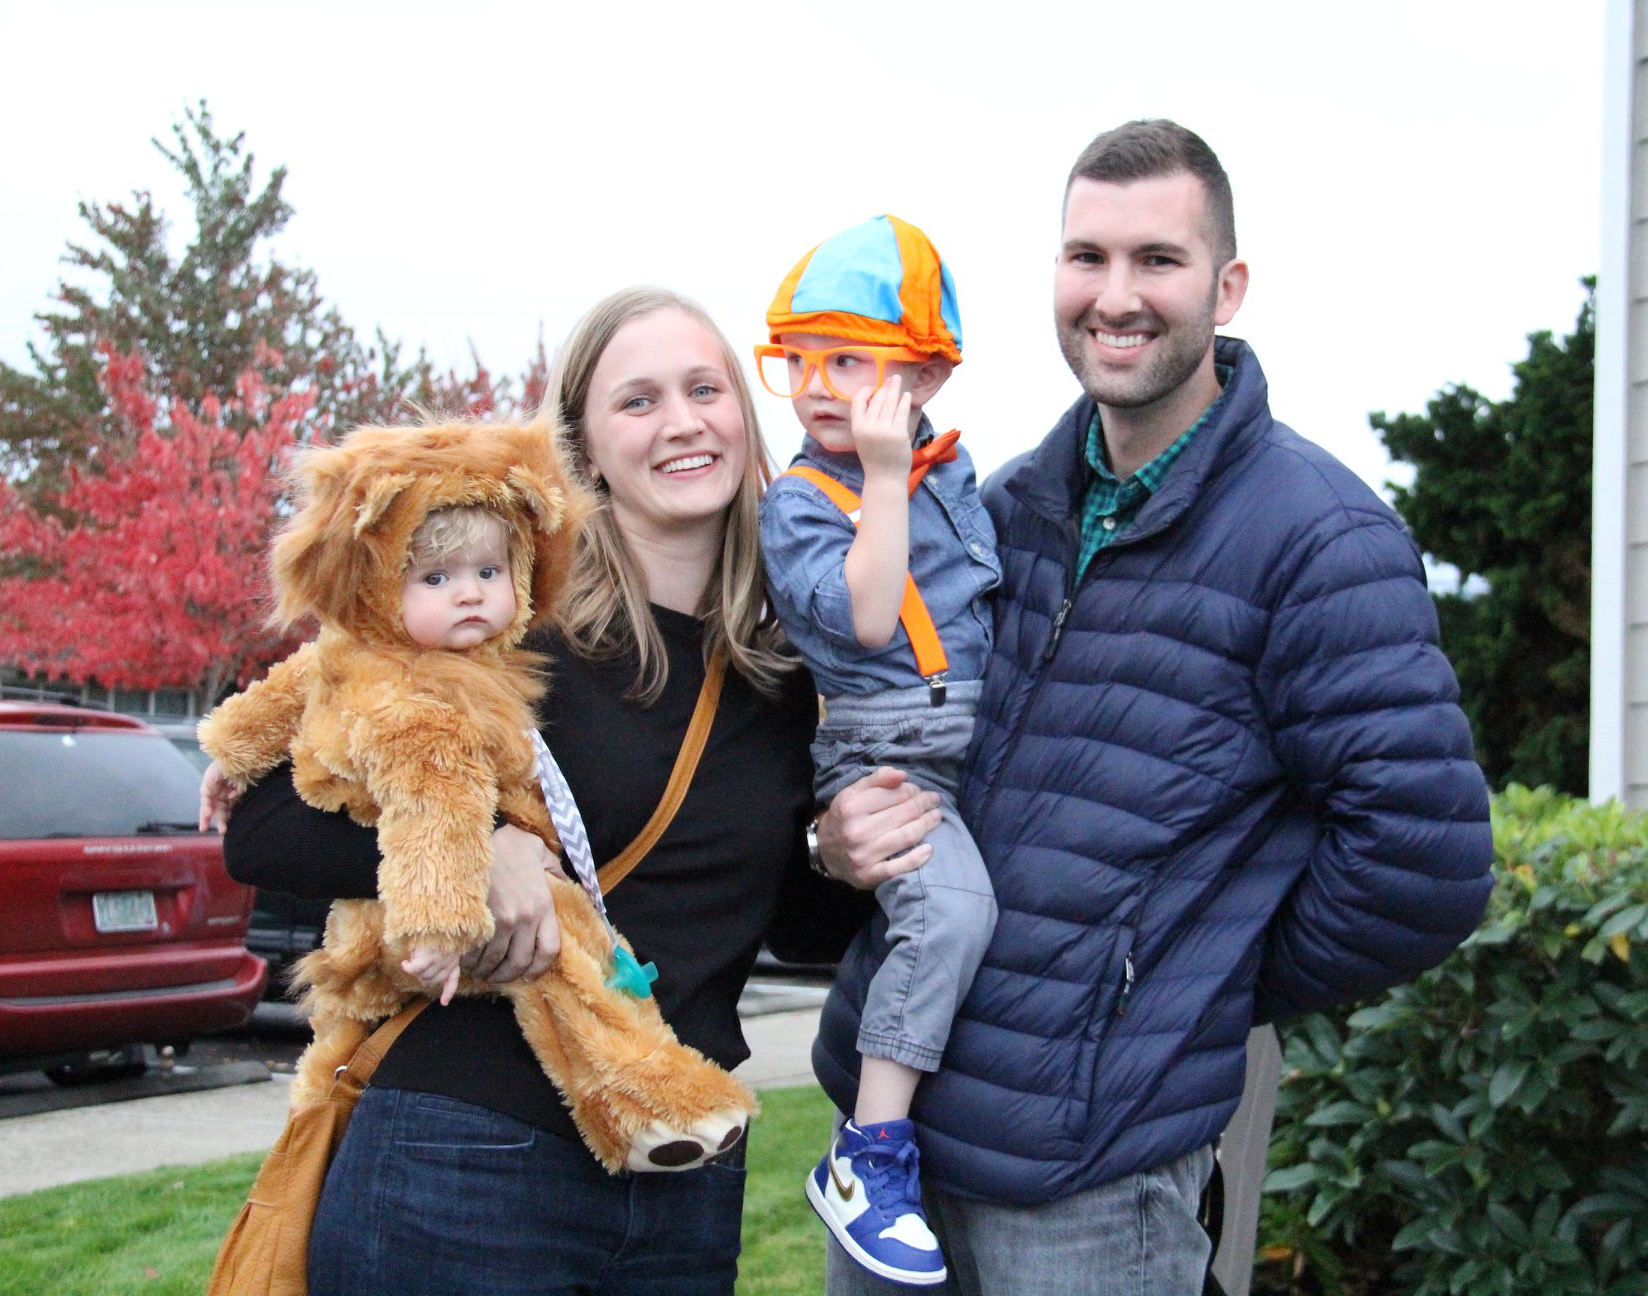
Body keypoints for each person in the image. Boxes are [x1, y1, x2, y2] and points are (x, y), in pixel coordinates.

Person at [814, 119, 1496, 1295]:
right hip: (892, 1147)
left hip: (1089, 1181)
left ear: (1227, 288)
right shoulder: (1002, 508)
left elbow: (1423, 865)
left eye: (1157, 260)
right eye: (1088, 257)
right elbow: (903, 735)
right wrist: (835, 841)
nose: (1115, 295)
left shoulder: (1321, 539)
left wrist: (1185, 984)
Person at [209, 287, 869, 1296]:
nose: (683, 422)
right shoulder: (498, 625)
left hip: (683, 1173)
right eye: (638, 401)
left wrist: (840, 857)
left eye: (706, 390)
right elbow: (261, 832)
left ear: (745, 414)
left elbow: (782, 928)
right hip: (467, 1154)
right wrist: (484, 849)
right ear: (582, 450)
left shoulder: (787, 667)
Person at [199, 416, 753, 1175]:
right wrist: (449, 915)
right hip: (433, 959)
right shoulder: (422, 709)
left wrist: (230, 750)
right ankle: (642, 1096)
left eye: (489, 573)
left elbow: (284, 694)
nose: (468, 595)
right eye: (435, 579)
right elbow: (426, 822)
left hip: (413, 939)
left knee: (556, 942)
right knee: (564, 947)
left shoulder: (463, 654)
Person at [754, 215, 999, 1286]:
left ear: (925, 375)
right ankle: (868, 1153)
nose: (816, 386)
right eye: (797, 360)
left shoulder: (953, 472)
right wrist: (887, 477)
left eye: (846, 361)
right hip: (886, 755)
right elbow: (863, 616)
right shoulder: (801, 501)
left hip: (968, 738)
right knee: (952, 912)